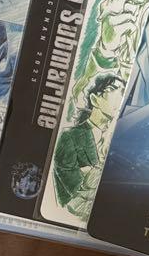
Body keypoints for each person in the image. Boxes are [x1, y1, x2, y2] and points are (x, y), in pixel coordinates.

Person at [51, 74, 126, 219]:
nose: (120, 96)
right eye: (113, 89)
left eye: (123, 91)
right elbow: (75, 192)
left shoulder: (118, 139)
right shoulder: (69, 137)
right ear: (95, 99)